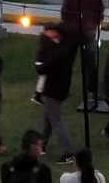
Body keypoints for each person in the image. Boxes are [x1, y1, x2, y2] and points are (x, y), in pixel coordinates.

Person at [61, 0, 104, 105]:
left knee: (68, 61)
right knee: (90, 63)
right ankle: (92, 91)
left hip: (72, 32)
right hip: (89, 31)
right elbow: (100, 13)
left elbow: (64, 14)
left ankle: (64, 88)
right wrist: (95, 25)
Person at [37, 24, 76, 164]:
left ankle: (69, 152)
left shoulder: (55, 51)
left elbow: (42, 69)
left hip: (52, 90)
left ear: (56, 33)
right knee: (48, 118)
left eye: (49, 31)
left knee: (56, 121)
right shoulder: (66, 48)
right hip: (62, 88)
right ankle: (42, 145)